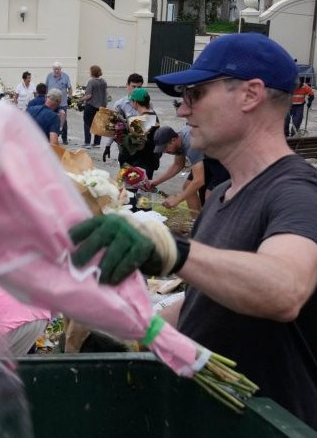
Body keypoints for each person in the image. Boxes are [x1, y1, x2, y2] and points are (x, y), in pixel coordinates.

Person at [68, 33, 317, 428]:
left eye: (195, 94)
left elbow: (284, 289)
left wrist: (175, 251)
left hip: (269, 424)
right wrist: (130, 328)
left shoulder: (297, 192)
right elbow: (205, 304)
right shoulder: (220, 197)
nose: (182, 110)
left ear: (250, 94)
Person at [148, 125, 205, 211]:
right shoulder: (179, 141)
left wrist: (177, 199)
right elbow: (178, 165)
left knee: (210, 195)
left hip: (219, 158)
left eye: (165, 147)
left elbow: (199, 180)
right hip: (203, 157)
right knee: (187, 186)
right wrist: (155, 182)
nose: (165, 152)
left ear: (173, 140)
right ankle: (196, 221)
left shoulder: (191, 144)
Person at [117, 88, 160, 179]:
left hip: (143, 163)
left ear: (135, 102)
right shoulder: (152, 114)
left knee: (136, 190)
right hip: (148, 160)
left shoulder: (146, 118)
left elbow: (130, 139)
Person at [101, 73, 144, 162]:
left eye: (139, 87)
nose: (136, 90)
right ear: (127, 86)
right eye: (134, 86)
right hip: (125, 147)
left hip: (142, 146)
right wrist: (108, 145)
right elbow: (114, 126)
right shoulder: (120, 104)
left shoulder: (147, 103)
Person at [45, 62, 72, 144]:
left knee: (63, 120)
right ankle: (49, 137)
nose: (57, 71)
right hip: (51, 103)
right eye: (55, 69)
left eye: (58, 69)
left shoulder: (66, 77)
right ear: (53, 69)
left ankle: (64, 138)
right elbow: (46, 87)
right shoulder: (49, 76)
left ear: (61, 69)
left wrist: (69, 97)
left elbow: (70, 88)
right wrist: (45, 98)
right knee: (49, 119)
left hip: (62, 102)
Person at [82, 65, 108, 148]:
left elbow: (88, 95)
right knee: (98, 124)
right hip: (101, 106)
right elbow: (106, 93)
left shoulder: (91, 82)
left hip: (91, 105)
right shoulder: (103, 81)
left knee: (87, 123)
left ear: (92, 72)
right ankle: (97, 143)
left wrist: (80, 99)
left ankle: (87, 143)